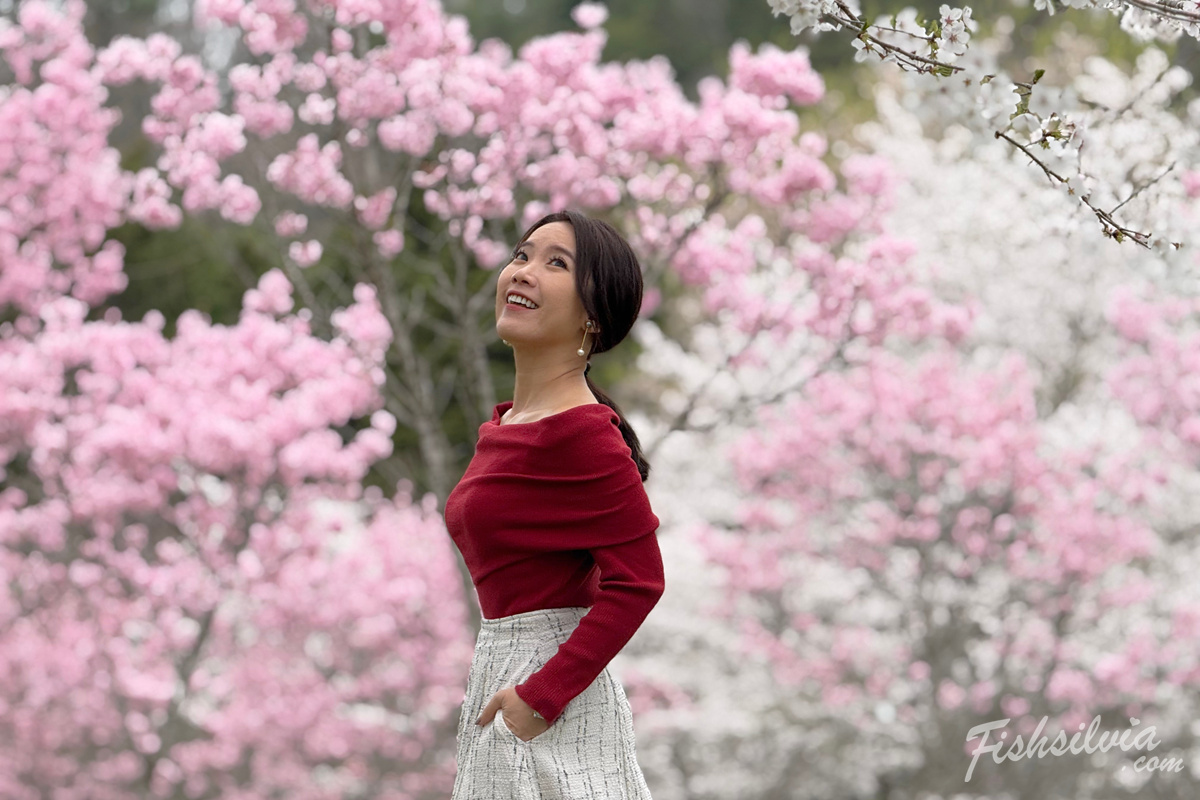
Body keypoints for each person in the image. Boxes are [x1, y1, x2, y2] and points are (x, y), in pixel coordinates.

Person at [443, 209, 665, 799]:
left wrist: (541, 697)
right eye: (522, 254)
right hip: (502, 674)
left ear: (593, 315)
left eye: (556, 263)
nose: (524, 271)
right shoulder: (510, 425)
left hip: (547, 693)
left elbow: (640, 581)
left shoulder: (585, 434)